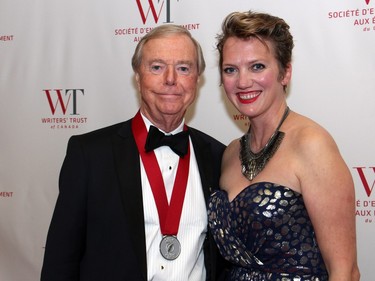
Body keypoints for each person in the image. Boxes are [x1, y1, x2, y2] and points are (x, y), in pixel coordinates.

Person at [41, 24, 228, 281]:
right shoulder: (89, 155)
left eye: (184, 68)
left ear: (197, 79)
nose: (171, 79)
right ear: (138, 77)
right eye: (157, 67)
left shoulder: (218, 157)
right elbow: (60, 261)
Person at [207, 10, 360, 281]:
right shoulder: (230, 153)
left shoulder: (312, 144)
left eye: (257, 66)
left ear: (285, 72)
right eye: (231, 69)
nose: (243, 82)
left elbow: (344, 271)